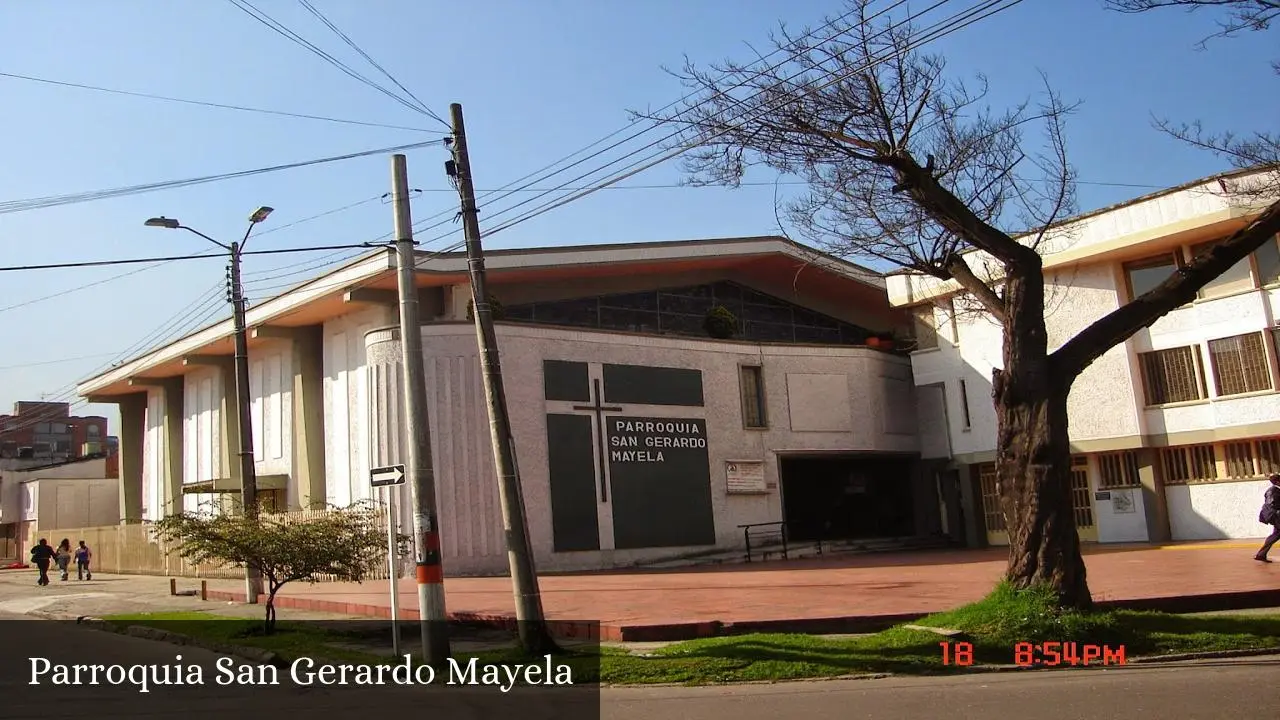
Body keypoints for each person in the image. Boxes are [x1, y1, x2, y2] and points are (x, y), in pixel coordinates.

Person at [1254, 473, 1280, 562]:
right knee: (1276, 534)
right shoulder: (1275, 491)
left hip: (1273, 515)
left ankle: (1261, 554)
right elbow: (1273, 504)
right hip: (1275, 515)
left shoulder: (1270, 490)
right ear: (1277, 481)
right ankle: (1261, 554)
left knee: (1276, 534)